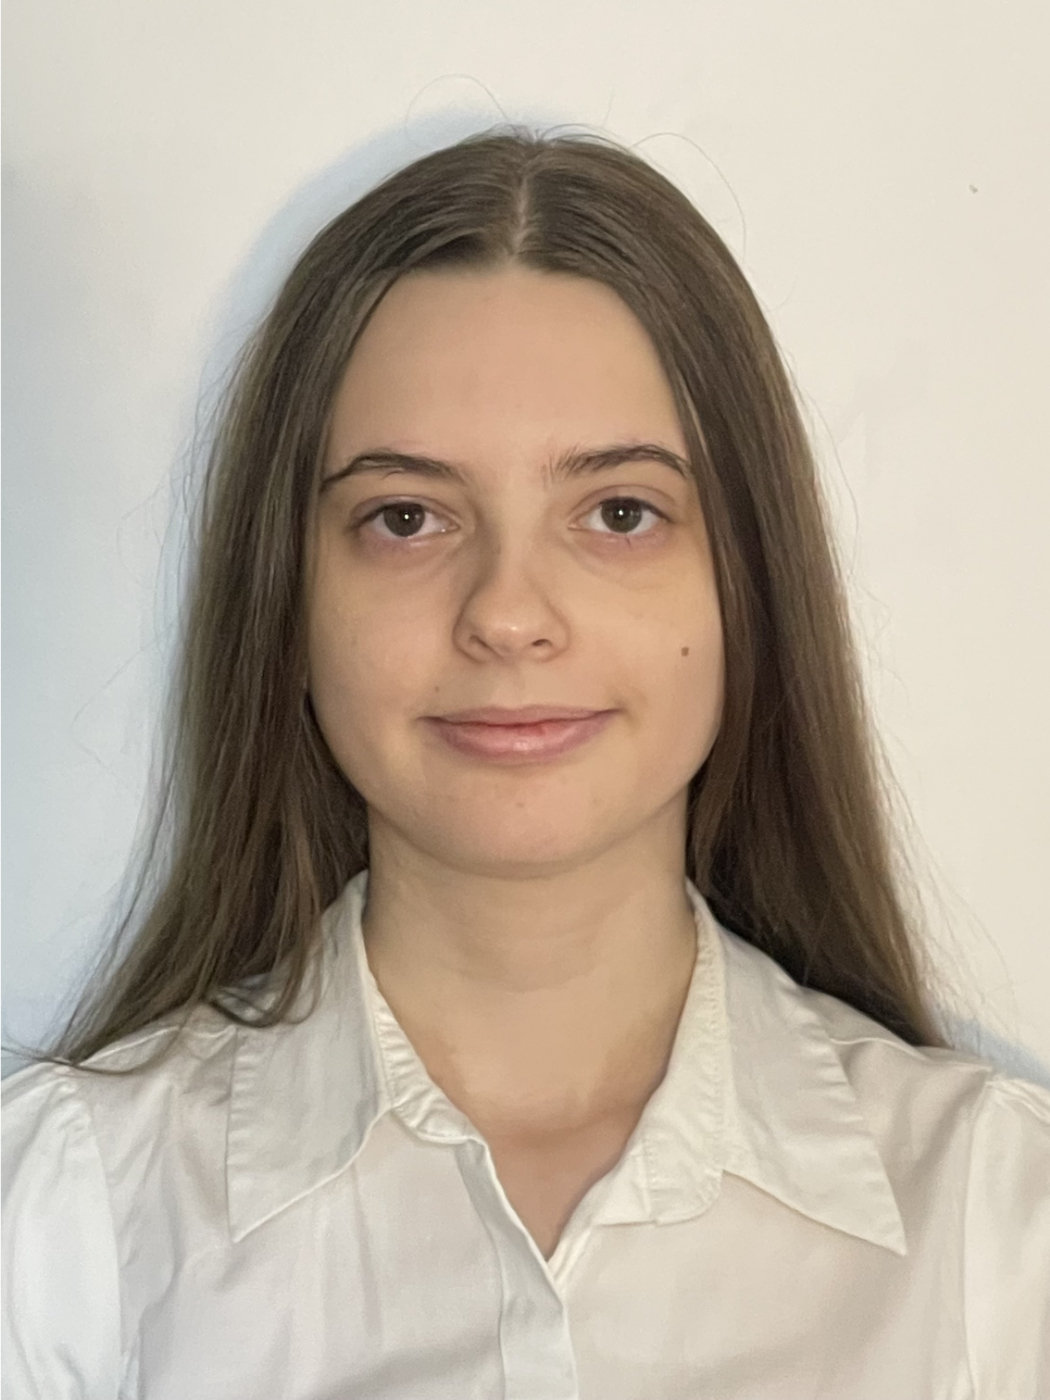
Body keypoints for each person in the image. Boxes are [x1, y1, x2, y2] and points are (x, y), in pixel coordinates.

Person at [2, 127, 1048, 1400]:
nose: (507, 613)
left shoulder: (1001, 1231)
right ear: (287, 597)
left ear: (749, 585)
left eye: (619, 513)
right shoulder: (58, 1228)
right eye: (406, 517)